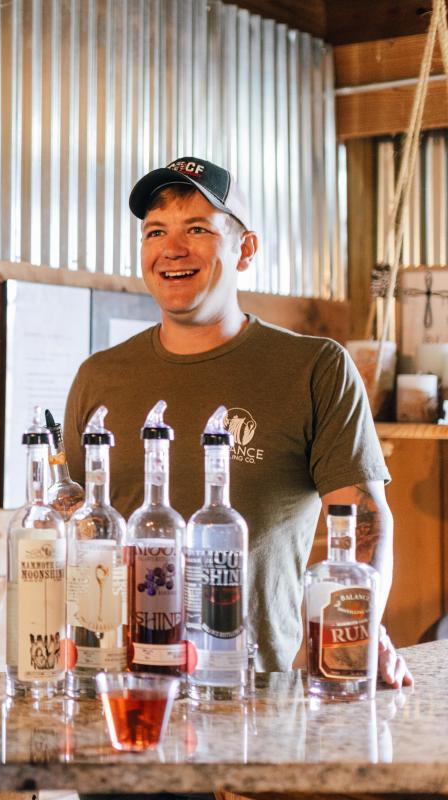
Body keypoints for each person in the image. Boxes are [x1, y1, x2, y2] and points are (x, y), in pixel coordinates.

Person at [64, 156, 412, 687]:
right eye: (155, 231)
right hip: (116, 686)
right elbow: (77, 519)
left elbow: (362, 519)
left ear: (244, 249)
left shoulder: (314, 367)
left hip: (258, 693)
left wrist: (356, 629)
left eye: (197, 228)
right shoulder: (98, 377)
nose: (171, 248)